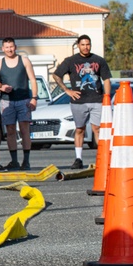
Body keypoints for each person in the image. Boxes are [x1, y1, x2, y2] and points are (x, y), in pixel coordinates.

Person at [52, 34, 112, 169]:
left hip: (97, 99)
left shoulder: (99, 60)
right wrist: (67, 91)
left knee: (97, 128)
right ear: (78, 46)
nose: (86, 47)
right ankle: (78, 158)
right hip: (78, 101)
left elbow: (106, 79)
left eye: (88, 44)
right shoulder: (70, 61)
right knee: (80, 129)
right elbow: (56, 75)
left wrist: (106, 97)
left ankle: (103, 158)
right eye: (83, 44)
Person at [0, 37, 38, 170]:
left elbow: (32, 79)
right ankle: (14, 161)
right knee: (10, 131)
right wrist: (1, 87)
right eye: (7, 47)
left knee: (24, 130)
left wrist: (34, 98)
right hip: (6, 101)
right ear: (3, 48)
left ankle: (26, 161)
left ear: (15, 47)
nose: (9, 49)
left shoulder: (24, 60)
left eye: (11, 46)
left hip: (24, 100)